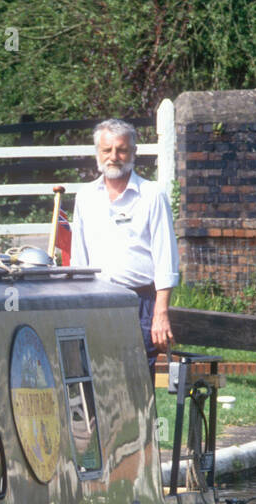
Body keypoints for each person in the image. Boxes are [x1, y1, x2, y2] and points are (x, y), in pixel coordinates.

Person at [70, 118, 179, 372]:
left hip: (139, 303)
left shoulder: (152, 195)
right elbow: (78, 261)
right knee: (97, 379)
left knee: (137, 381)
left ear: (133, 152)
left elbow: (166, 259)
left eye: (121, 150)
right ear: (98, 153)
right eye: (107, 150)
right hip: (95, 302)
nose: (114, 157)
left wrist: (160, 313)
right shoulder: (85, 197)